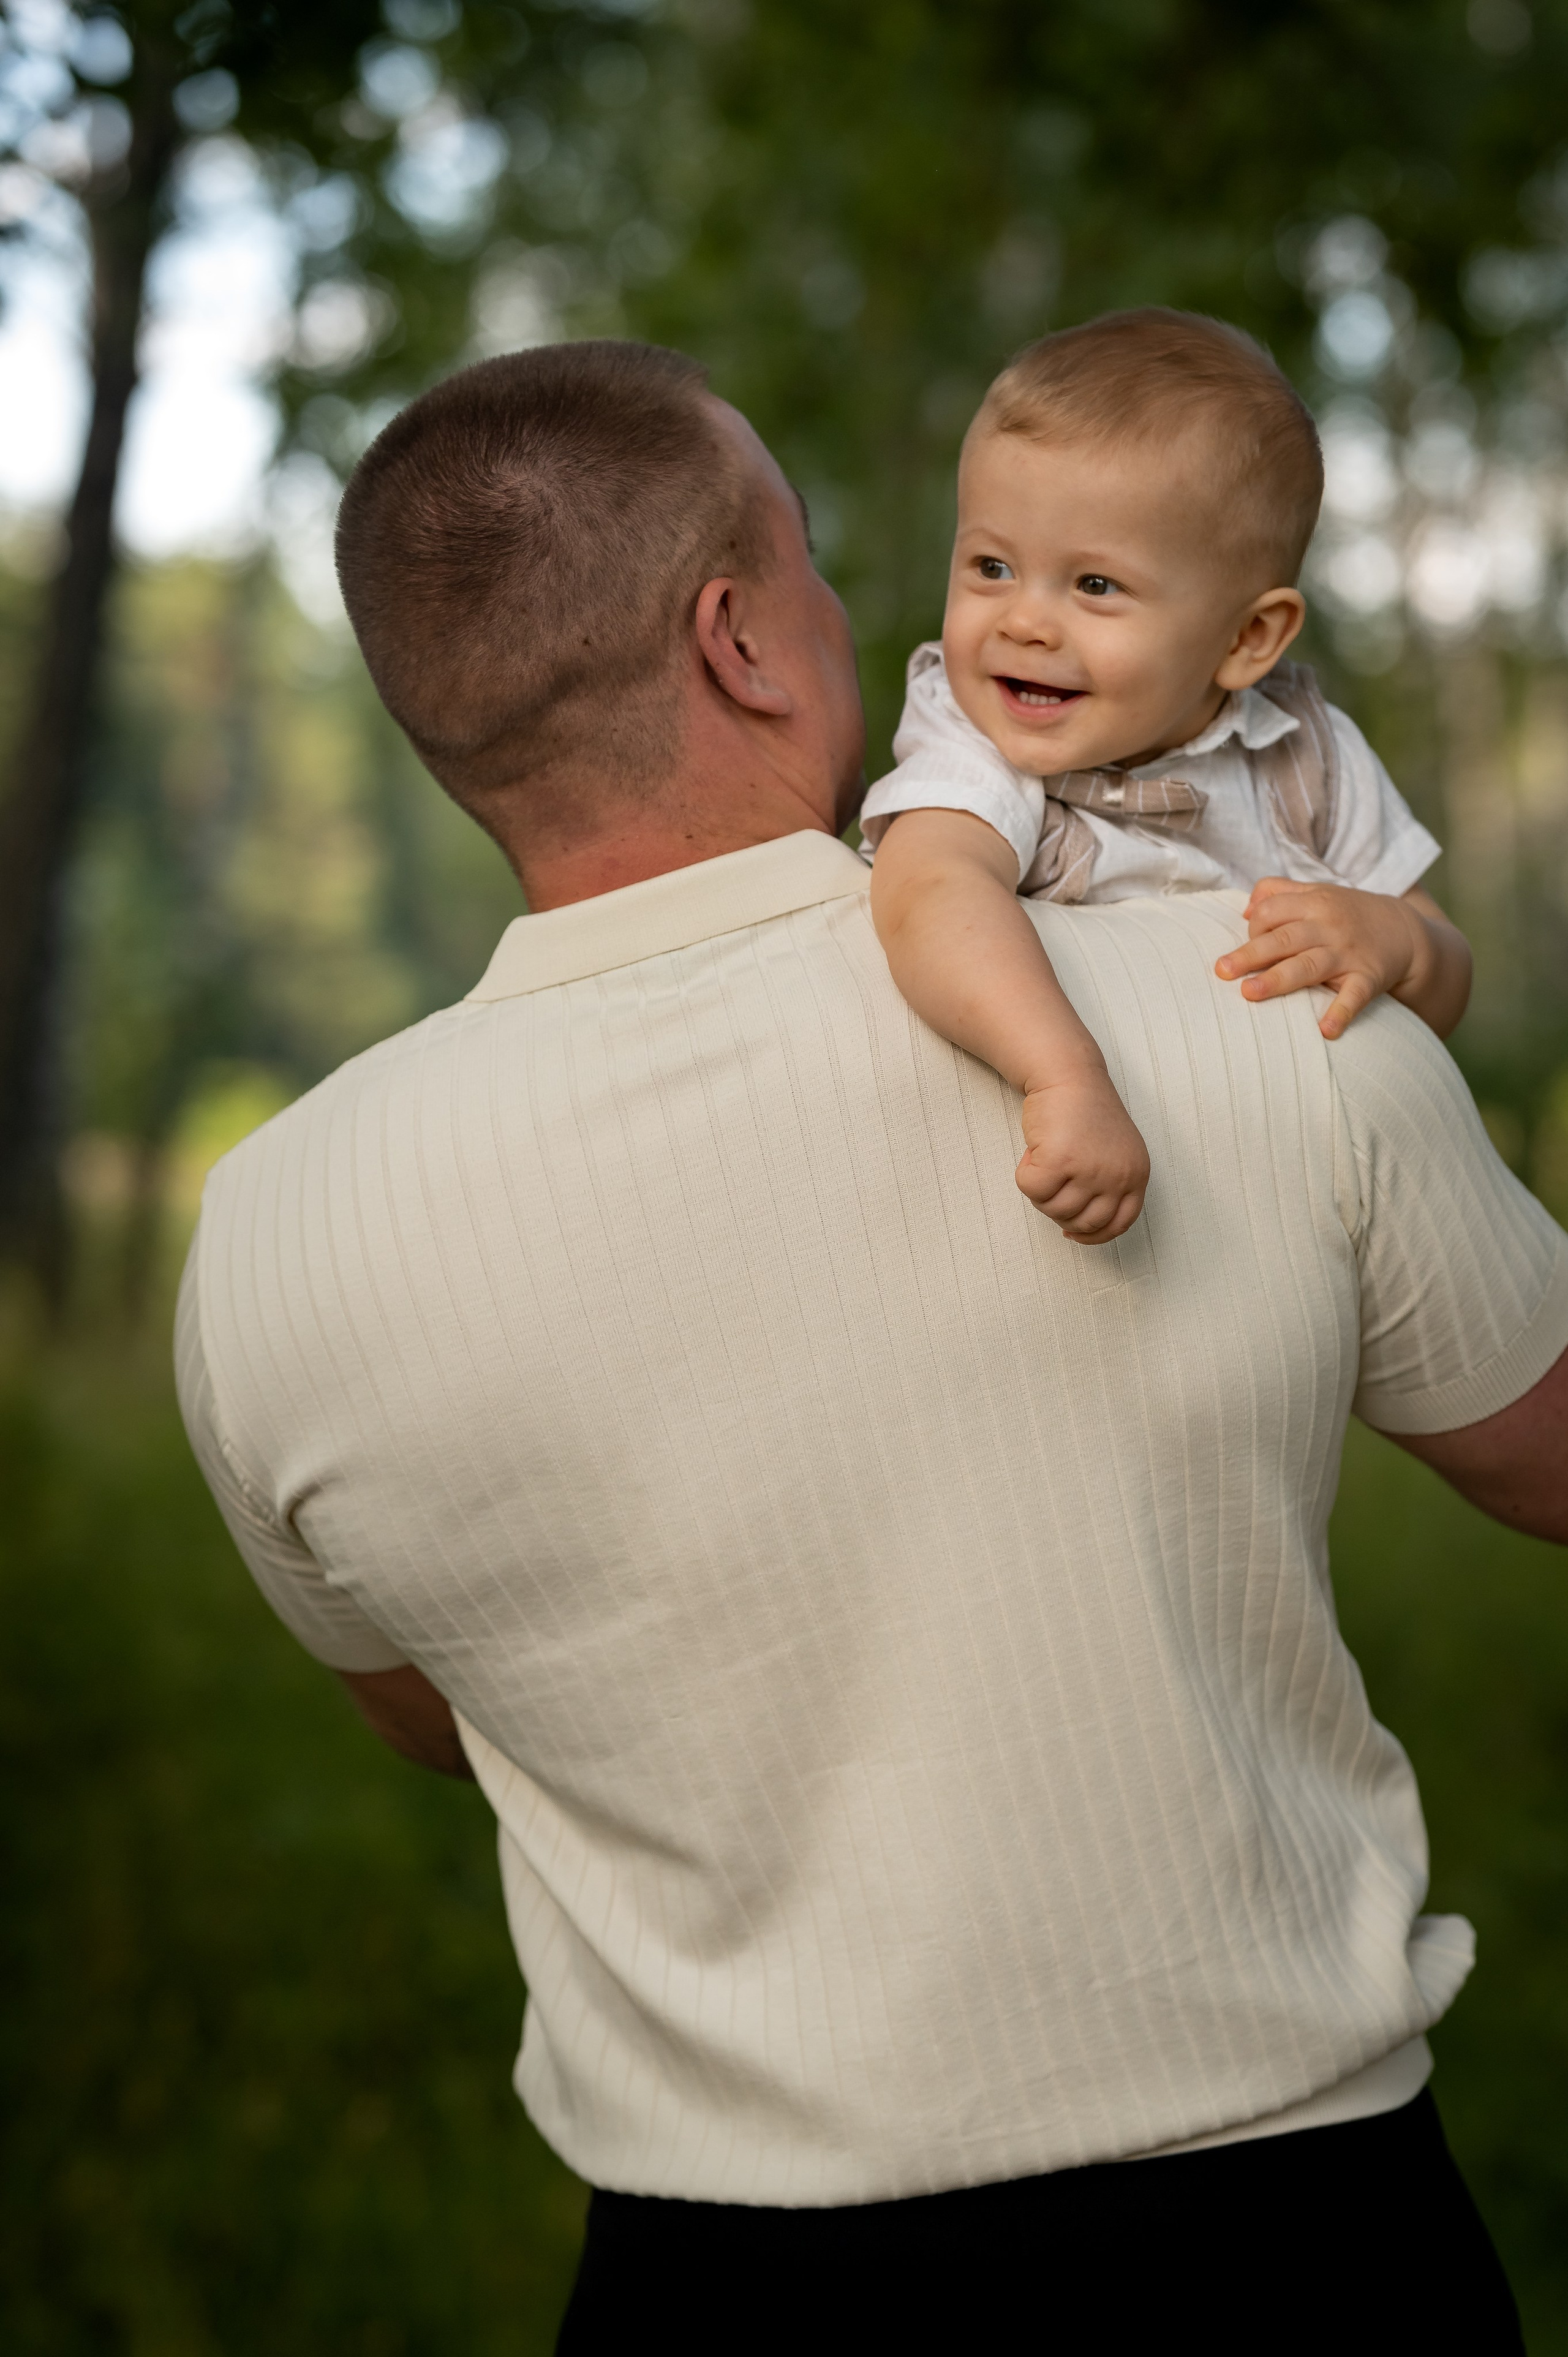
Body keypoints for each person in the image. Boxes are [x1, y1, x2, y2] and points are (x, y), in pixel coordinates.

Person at [175, 339, 1566, 2352]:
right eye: (821, 563)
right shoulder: (1265, 995)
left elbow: (429, 1715)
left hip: (710, 2285)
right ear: (741, 641)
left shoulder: (266, 1236)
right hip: (1291, 2249)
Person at [863, 309, 1472, 1244]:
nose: (1023, 622)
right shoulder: (979, 742)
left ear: (1247, 638)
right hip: (1075, 1158)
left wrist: (1398, 943)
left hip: (1290, 1182)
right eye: (992, 565)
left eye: (1094, 585)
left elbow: (1446, 978)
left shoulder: (1304, 755)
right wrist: (1061, 1076)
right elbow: (929, 896)